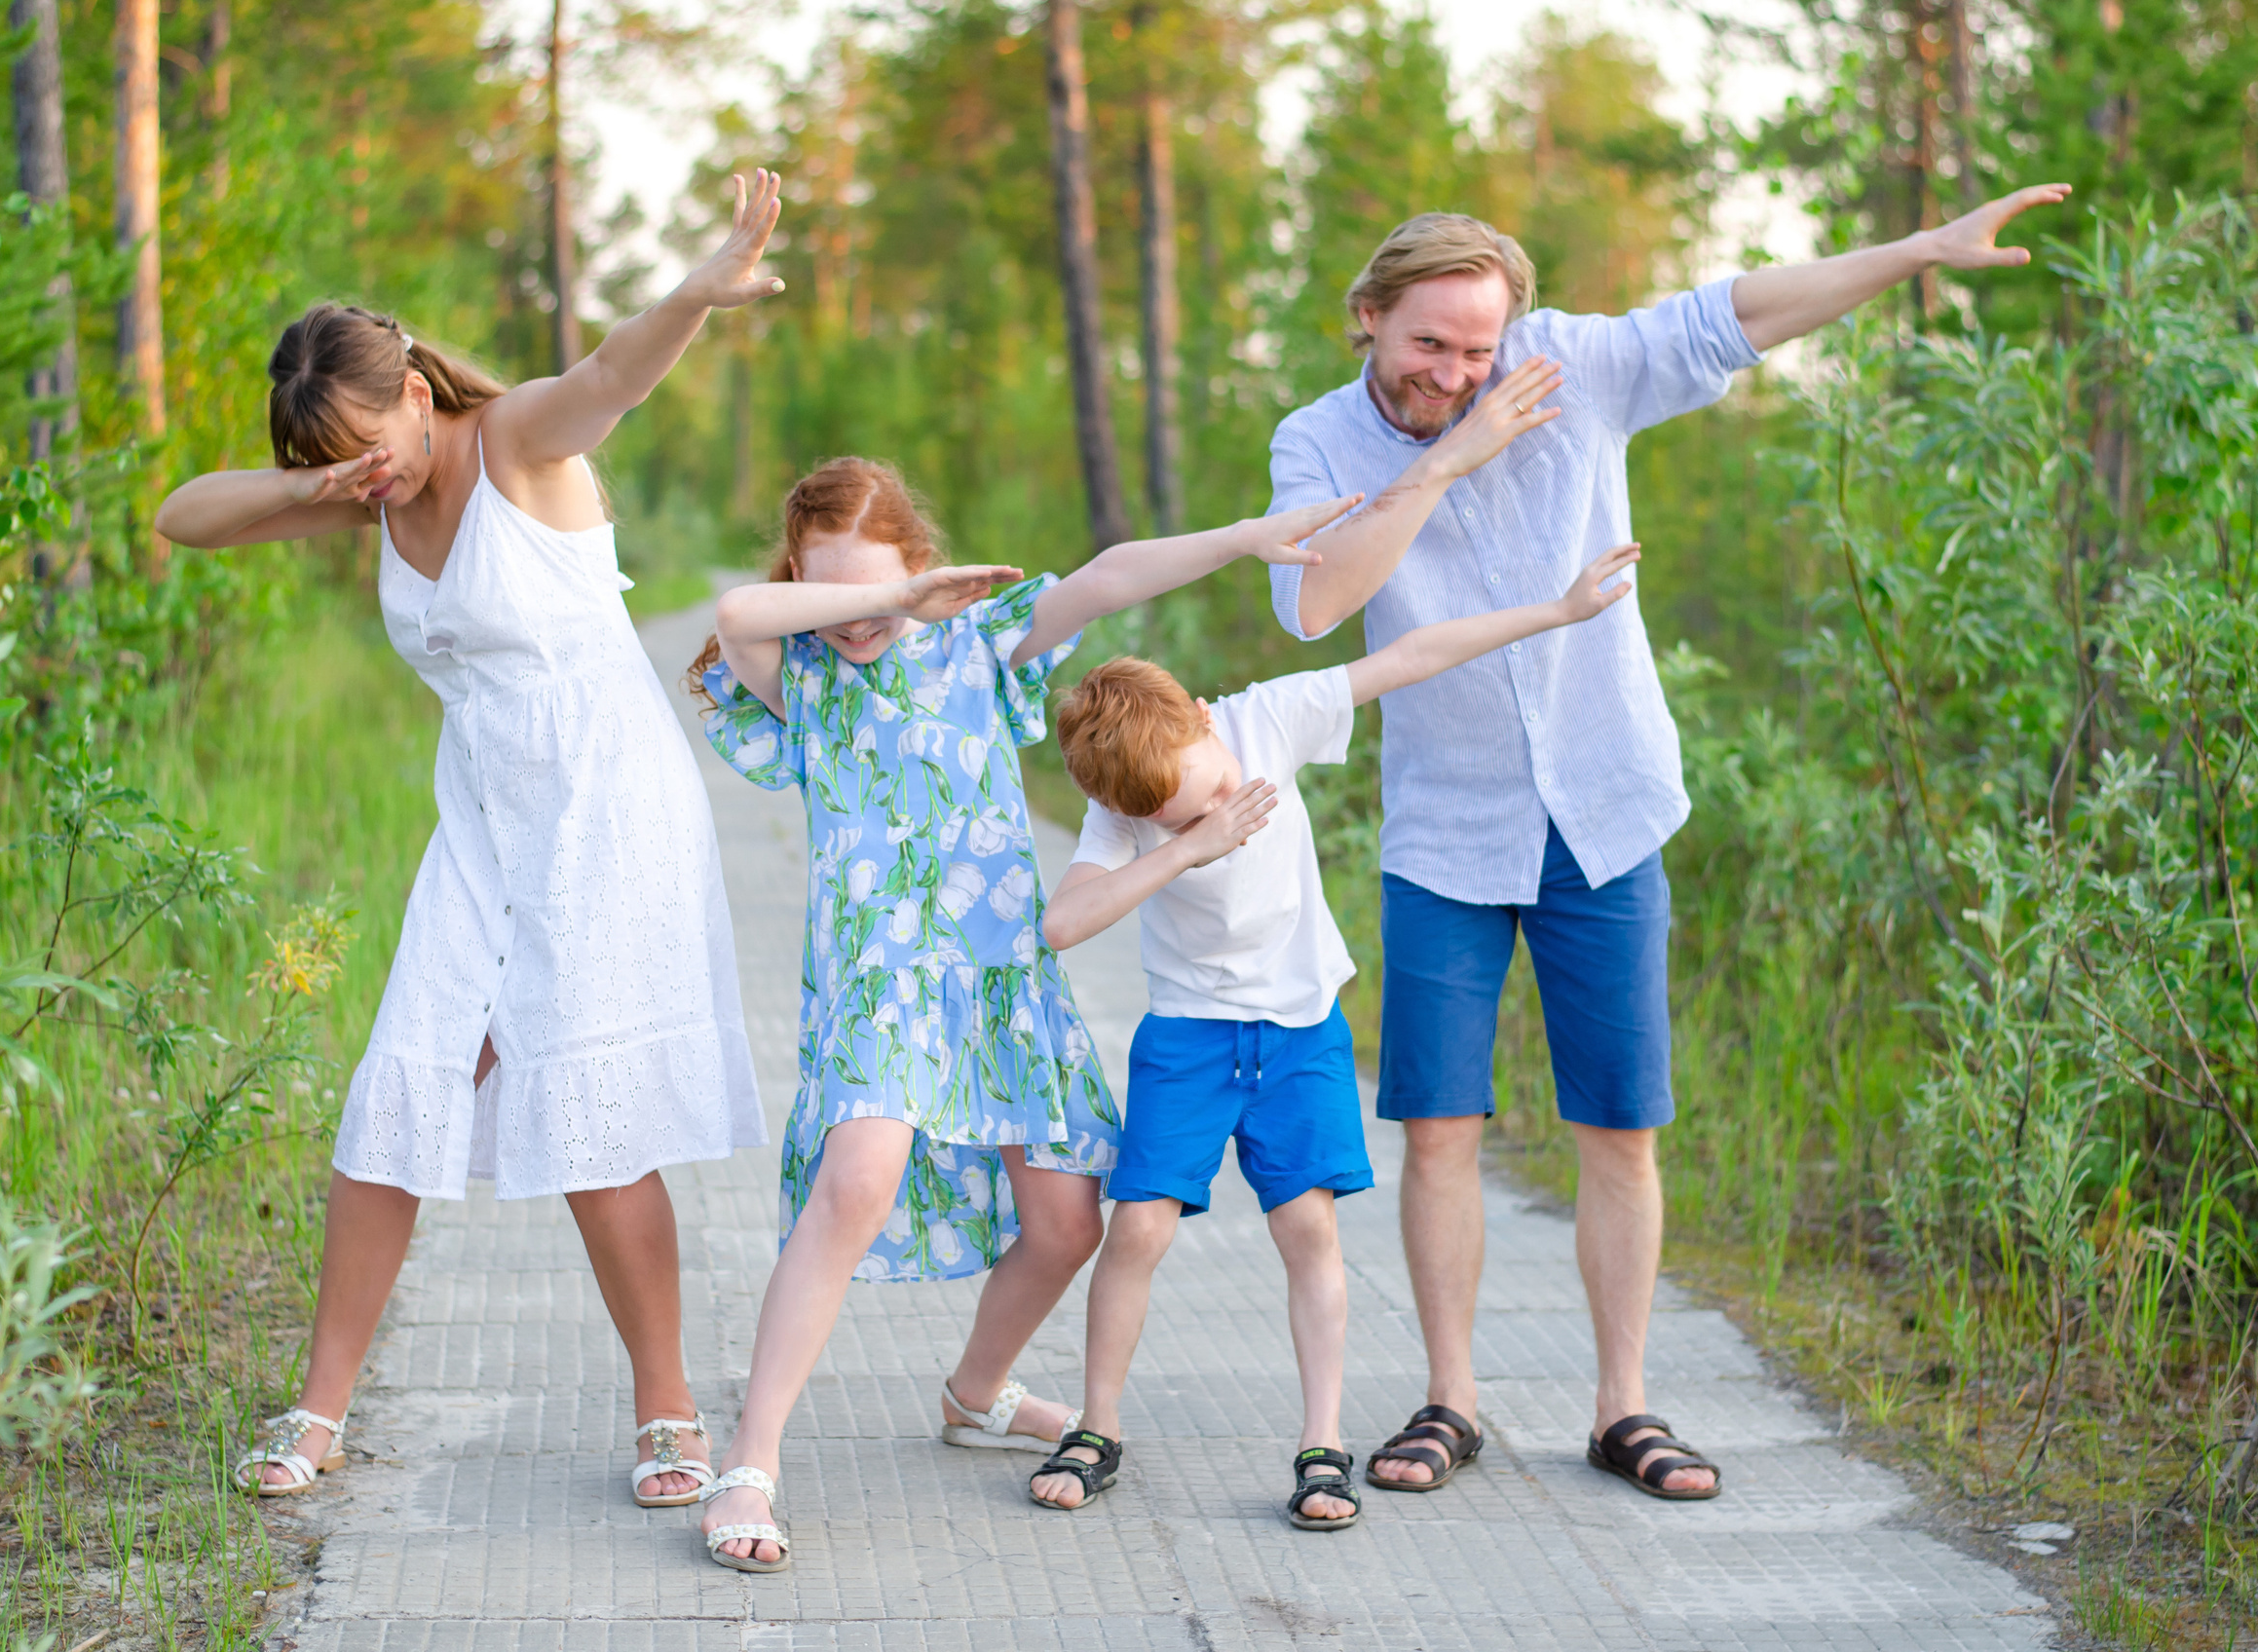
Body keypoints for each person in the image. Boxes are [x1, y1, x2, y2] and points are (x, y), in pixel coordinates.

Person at [1266, 181, 2074, 1501]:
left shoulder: (1573, 366)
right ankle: (1449, 1402)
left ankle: (1621, 1409)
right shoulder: (1315, 441)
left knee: (1621, 1130)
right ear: (1367, 322)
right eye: (1431, 347)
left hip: (1605, 809)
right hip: (1443, 834)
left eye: (1480, 350)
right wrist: (1446, 463)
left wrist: (1922, 250)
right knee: (1439, 1132)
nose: (1462, 375)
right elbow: (1315, 606)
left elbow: (1742, 313)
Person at [155, 171, 791, 1508]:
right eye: (333, 447)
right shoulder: (369, 491)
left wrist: (699, 284)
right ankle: (318, 1412)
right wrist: (330, 483)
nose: (370, 464)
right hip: (486, 821)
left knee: (590, 1118)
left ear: (418, 389)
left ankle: (669, 1407)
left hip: (605, 807)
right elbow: (184, 518)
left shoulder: (516, 444)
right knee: (402, 1080)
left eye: (372, 430)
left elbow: (611, 373)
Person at [685, 458, 1358, 1571]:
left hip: (1003, 980)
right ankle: (749, 1460)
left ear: (922, 558)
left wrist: (1244, 535)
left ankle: (975, 1392)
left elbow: (1108, 577)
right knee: (857, 1179)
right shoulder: (797, 671)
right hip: (880, 982)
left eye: (881, 587)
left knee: (1063, 1224)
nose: (857, 619)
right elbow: (736, 611)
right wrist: (875, 600)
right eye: (834, 594)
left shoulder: (979, 639)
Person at [1027, 531, 1638, 1530]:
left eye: (1216, 786)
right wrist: (1184, 850)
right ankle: (1097, 1426)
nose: (1219, 809)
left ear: (1200, 720)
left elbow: (1409, 656)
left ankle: (1321, 1444)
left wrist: (1558, 610)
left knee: (1306, 1226)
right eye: (1184, 816)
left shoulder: (1263, 718)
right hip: (1186, 1037)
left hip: (1298, 1032)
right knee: (1134, 1228)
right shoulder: (1131, 813)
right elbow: (1061, 925)